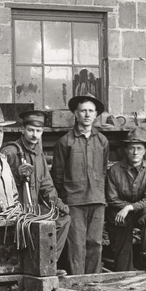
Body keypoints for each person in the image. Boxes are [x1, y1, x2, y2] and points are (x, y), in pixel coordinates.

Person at [2, 108, 71, 267]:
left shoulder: (38, 154)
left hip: (33, 209)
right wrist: (17, 176)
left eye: (38, 131)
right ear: (22, 130)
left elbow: (47, 185)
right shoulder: (10, 152)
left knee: (64, 220)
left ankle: (48, 263)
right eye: (31, 130)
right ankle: (31, 265)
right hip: (16, 212)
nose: (34, 134)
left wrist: (57, 204)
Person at [51, 94, 109, 275]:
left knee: (95, 244)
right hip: (74, 202)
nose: (87, 114)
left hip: (97, 200)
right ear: (76, 114)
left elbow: (104, 170)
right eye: (83, 111)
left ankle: (94, 284)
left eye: (91, 111)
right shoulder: (65, 141)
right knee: (76, 246)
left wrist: (99, 192)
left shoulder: (102, 141)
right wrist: (65, 198)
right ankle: (78, 284)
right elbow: (57, 175)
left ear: (96, 115)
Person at [105, 126, 146, 272]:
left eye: (139, 148)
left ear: (144, 150)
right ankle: (124, 269)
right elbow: (111, 198)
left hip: (138, 212)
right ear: (125, 150)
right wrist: (123, 209)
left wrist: (129, 207)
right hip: (119, 215)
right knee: (122, 265)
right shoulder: (115, 170)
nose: (135, 152)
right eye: (131, 148)